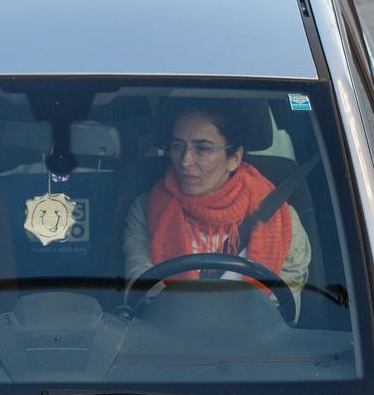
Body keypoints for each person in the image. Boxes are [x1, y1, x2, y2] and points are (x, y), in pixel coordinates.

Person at [123, 107, 311, 315]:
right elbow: (142, 289)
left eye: (202, 149)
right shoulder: (147, 209)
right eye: (177, 146)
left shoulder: (279, 217)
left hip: (252, 344)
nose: (185, 161)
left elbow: (283, 312)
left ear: (235, 158)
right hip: (170, 341)